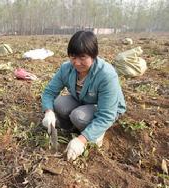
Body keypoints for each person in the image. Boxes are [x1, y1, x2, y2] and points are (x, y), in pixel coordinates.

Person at [41, 31, 126, 161]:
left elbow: (107, 114)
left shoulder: (106, 75)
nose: (77, 62)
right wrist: (48, 111)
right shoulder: (66, 68)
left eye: (82, 58)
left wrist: (81, 140)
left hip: (107, 109)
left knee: (78, 117)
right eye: (73, 57)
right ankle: (70, 126)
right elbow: (49, 92)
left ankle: (95, 133)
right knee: (58, 104)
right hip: (83, 100)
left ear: (93, 55)